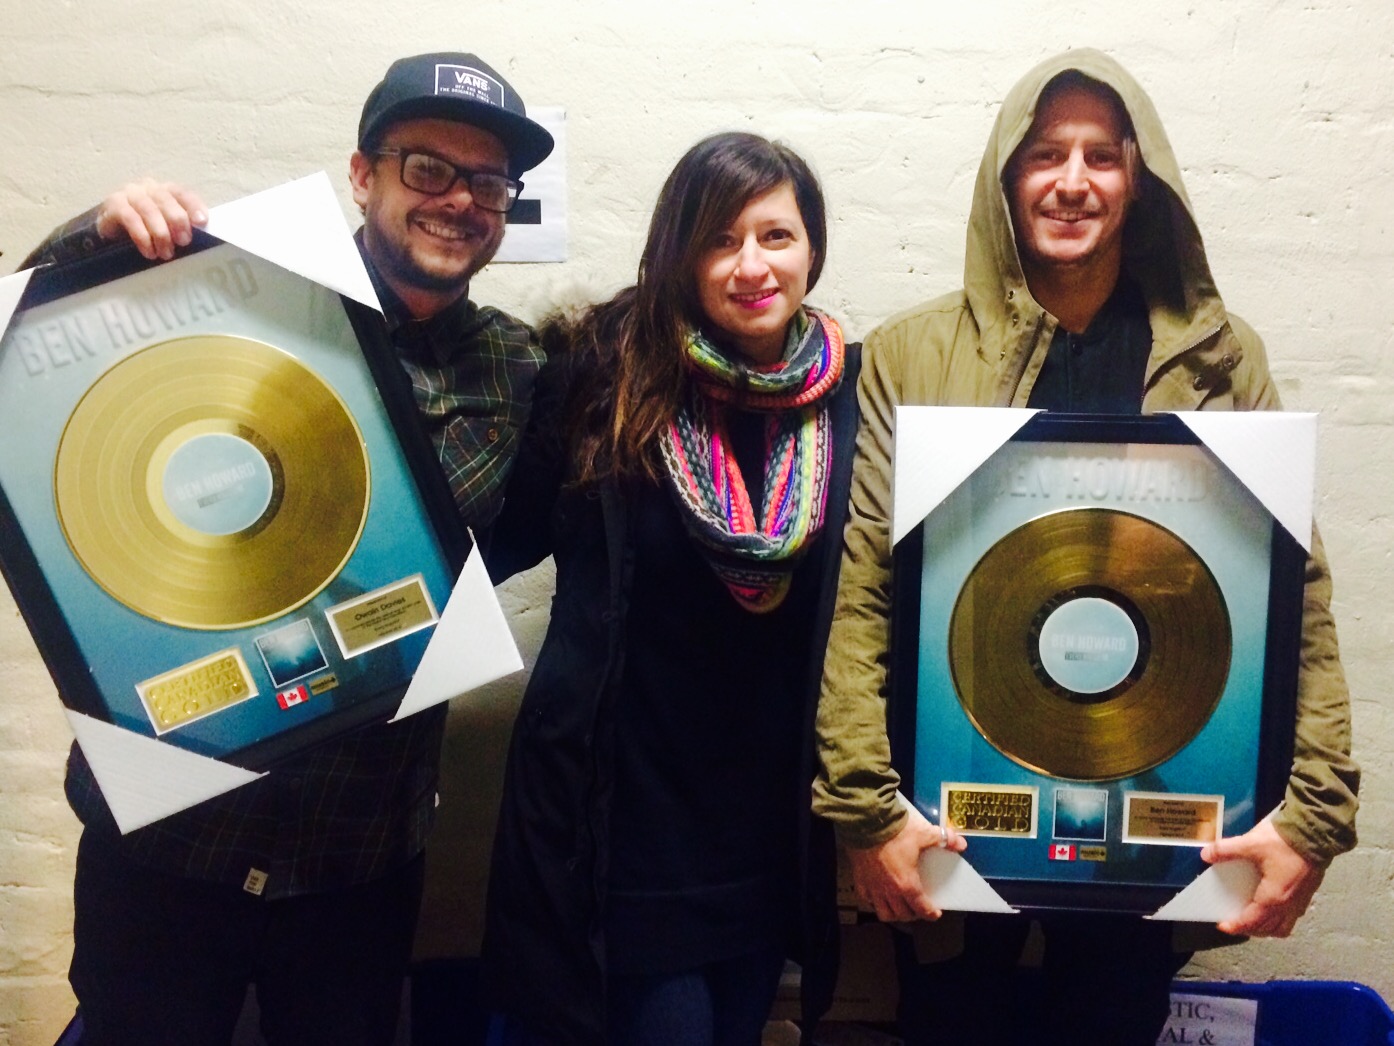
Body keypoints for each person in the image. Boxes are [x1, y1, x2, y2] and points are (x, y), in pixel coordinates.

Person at [813, 49, 1360, 1046]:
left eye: (1100, 156)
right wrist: (865, 810)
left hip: (1155, 832)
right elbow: (866, 593)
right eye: (1045, 154)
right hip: (950, 826)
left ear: (1139, 178)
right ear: (1006, 176)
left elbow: (1296, 598)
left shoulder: (1216, 357)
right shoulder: (911, 353)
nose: (1071, 182)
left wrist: (1313, 816)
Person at [22, 51, 553, 1046]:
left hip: (358, 852)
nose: (459, 200)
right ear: (362, 174)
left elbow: (529, 521)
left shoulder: (517, 366)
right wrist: (102, 230)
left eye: (488, 183)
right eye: (427, 168)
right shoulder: (230, 285)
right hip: (172, 829)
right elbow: (37, 338)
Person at [480, 132, 901, 1046]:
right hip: (622, 832)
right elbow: (490, 539)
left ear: (812, 248)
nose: (752, 265)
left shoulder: (851, 396)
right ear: (679, 251)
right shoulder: (602, 372)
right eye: (719, 239)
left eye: (776, 236)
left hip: (764, 831)